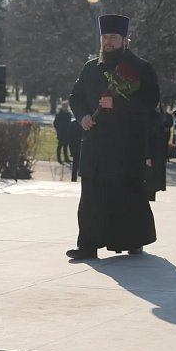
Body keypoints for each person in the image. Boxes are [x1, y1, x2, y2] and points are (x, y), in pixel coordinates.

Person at [66, 14, 160, 260]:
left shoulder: (141, 68)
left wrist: (118, 105)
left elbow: (151, 101)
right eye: (104, 37)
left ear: (125, 40)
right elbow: (75, 97)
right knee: (91, 195)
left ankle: (132, 240)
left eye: (113, 38)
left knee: (125, 195)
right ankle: (87, 245)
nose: (108, 42)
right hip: (95, 143)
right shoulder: (90, 68)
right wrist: (83, 116)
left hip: (126, 145)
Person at [145, 102, 174, 201]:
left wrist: (165, 155)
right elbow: (146, 137)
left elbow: (165, 137)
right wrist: (147, 156)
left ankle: (151, 197)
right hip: (152, 151)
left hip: (159, 150)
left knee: (155, 180)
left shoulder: (162, 116)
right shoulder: (148, 117)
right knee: (150, 179)